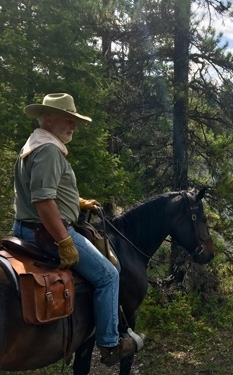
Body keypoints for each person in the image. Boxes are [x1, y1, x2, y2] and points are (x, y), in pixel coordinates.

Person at [13, 93, 140, 367]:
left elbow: (40, 190)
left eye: (75, 121)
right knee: (109, 275)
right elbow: (43, 200)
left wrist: (77, 202)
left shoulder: (34, 145)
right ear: (48, 118)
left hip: (25, 228)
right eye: (67, 120)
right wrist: (64, 241)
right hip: (47, 233)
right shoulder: (48, 150)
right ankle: (109, 343)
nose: (73, 126)